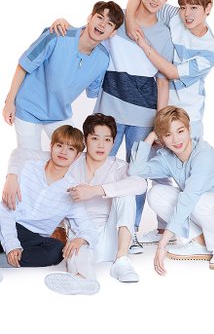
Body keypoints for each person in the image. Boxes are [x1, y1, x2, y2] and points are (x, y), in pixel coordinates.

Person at [50, 0, 174, 236]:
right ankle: (76, 223)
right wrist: (65, 24)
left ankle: (132, 229)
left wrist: (160, 122)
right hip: (110, 111)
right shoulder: (120, 20)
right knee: (90, 163)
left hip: (144, 115)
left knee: (136, 172)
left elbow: (163, 81)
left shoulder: (163, 33)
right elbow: (92, 34)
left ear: (166, 0)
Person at [3, 114, 147, 294]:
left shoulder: (119, 167)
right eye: (95, 138)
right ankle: (82, 280)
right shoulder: (71, 157)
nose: (101, 145)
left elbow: (141, 184)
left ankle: (122, 260)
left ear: (113, 143)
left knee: (126, 195)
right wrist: (12, 176)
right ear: (85, 140)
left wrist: (95, 190)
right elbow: (21, 153)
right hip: (79, 231)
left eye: (107, 140)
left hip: (110, 234)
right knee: (76, 250)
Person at [125, 0, 214, 245]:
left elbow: (172, 72)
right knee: (159, 171)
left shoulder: (211, 50)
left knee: (190, 178)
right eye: (184, 7)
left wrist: (143, 43)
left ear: (208, 9)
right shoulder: (176, 16)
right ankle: (162, 228)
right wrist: (130, 21)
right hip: (162, 110)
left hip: (189, 120)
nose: (187, 14)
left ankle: (202, 236)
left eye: (194, 8)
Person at [128, 106, 214, 275]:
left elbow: (189, 198)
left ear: (189, 129)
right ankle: (200, 243)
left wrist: (163, 243)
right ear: (162, 139)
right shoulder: (168, 158)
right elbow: (135, 170)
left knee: (197, 199)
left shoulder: (204, 154)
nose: (175, 139)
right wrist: (151, 136)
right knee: (156, 193)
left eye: (180, 131)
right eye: (168, 135)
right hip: (210, 217)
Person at [2, 1, 124, 151]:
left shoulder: (103, 59)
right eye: (99, 17)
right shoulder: (58, 34)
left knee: (75, 152)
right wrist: (10, 101)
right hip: (28, 108)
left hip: (58, 114)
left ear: (112, 33)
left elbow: (93, 91)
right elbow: (24, 64)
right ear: (90, 18)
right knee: (30, 158)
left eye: (109, 24)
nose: (102, 24)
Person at [0, 126, 98, 288]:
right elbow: (5, 212)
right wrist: (12, 245)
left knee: (56, 250)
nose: (64, 152)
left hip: (32, 237)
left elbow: (89, 228)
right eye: (60, 145)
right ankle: (9, 251)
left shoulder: (72, 190)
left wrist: (81, 239)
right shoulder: (28, 168)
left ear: (77, 156)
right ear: (51, 146)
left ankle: (5, 261)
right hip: (7, 223)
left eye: (71, 149)